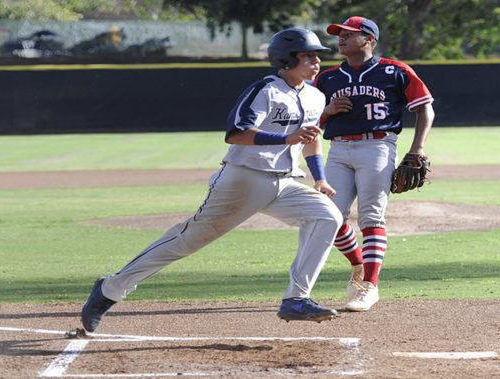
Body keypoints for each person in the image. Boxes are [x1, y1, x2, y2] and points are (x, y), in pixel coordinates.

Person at [81, 28, 343, 332]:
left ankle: (296, 299)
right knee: (186, 242)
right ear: (287, 58)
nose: (316, 61)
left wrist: (320, 178)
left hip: (285, 183)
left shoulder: (315, 95)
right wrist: (286, 138)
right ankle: (109, 290)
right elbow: (236, 134)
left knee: (327, 217)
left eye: (317, 55)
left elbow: (311, 139)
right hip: (243, 181)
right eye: (308, 55)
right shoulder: (265, 90)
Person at [314, 16, 435, 311]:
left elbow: (425, 110)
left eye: (348, 34)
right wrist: (327, 111)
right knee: (329, 216)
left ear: (369, 39)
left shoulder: (394, 70)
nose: (341, 38)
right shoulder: (327, 78)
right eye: (339, 34)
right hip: (338, 150)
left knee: (371, 218)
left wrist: (416, 149)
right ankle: (358, 266)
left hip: (377, 146)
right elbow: (307, 121)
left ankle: (370, 286)